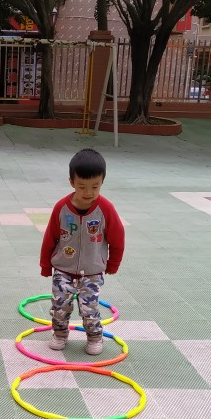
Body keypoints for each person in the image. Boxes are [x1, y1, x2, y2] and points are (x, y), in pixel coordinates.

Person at [39, 148, 124, 354]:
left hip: (92, 271)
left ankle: (94, 337)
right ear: (71, 182)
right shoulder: (61, 208)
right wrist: (45, 265)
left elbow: (118, 238)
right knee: (60, 306)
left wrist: (113, 264)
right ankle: (60, 334)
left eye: (95, 186)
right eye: (82, 186)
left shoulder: (106, 209)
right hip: (63, 268)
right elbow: (50, 236)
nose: (89, 192)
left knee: (89, 308)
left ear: (102, 181)